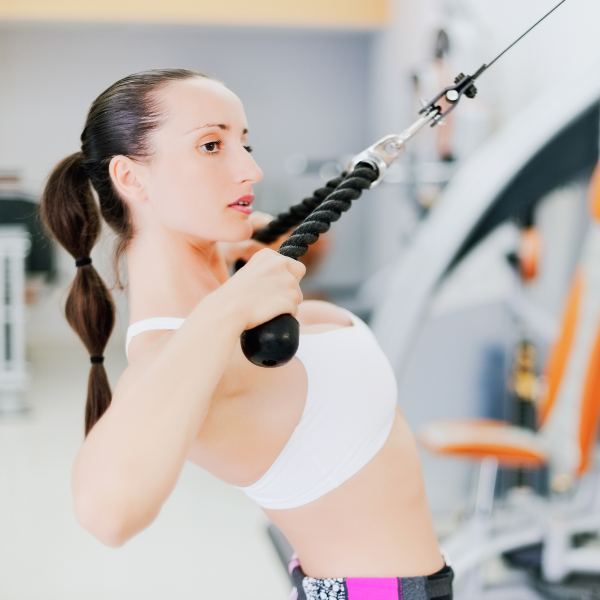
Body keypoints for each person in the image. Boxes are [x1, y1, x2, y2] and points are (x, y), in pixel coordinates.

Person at [40, 68, 452, 600]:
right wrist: (222, 309)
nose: (251, 169)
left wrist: (226, 258)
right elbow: (106, 513)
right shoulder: (179, 345)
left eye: (244, 142)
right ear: (132, 178)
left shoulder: (224, 275)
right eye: (211, 145)